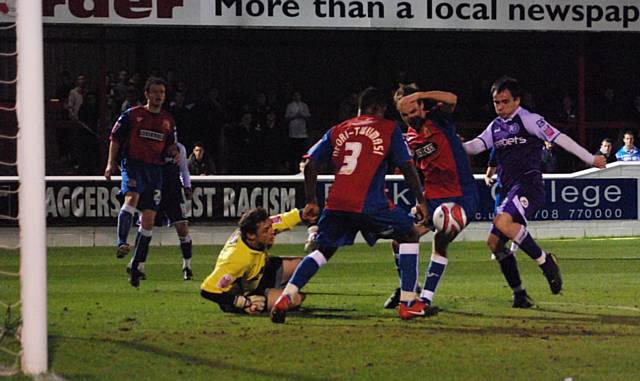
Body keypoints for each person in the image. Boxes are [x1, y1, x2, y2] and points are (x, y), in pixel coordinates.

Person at [270, 87, 429, 324]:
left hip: (337, 203)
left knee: (322, 250)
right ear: (380, 108)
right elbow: (407, 166)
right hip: (369, 203)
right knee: (408, 234)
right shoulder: (388, 128)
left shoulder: (338, 129)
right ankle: (408, 303)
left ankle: (286, 297)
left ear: (359, 109)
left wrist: (312, 201)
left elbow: (311, 164)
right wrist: (421, 201)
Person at [462, 76, 606, 307]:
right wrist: (451, 145)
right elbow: (476, 146)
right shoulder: (495, 127)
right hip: (509, 188)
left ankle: (545, 261)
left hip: (529, 185)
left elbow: (561, 139)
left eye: (505, 101)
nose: (500, 107)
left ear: (517, 100)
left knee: (502, 222)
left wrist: (591, 158)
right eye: (496, 102)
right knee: (493, 243)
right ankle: (520, 294)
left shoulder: (530, 120)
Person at [382, 85, 479, 311]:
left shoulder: (438, 118)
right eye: (405, 115)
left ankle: (425, 299)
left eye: (413, 111)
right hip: (432, 197)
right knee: (399, 240)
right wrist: (422, 202)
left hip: (462, 196)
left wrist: (420, 95)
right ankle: (408, 288)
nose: (410, 118)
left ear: (421, 106)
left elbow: (453, 97)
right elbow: (412, 170)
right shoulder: (408, 139)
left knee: (441, 239)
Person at [104, 77, 178, 288]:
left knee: (149, 218)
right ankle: (121, 242)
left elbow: (170, 145)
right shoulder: (133, 115)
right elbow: (115, 139)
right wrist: (110, 164)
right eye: (155, 92)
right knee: (132, 197)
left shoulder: (168, 120)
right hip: (134, 164)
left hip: (155, 170)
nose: (158, 96)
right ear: (147, 94)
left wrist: (175, 153)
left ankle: (136, 264)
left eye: (162, 92)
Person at [200, 207, 316, 315]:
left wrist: (302, 214)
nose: (272, 231)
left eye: (270, 227)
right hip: (245, 292)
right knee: (295, 299)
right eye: (266, 230)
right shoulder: (235, 259)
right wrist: (241, 302)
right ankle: (258, 301)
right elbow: (207, 290)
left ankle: (276, 291)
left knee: (304, 265)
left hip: (260, 272)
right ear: (251, 235)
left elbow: (282, 220)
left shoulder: (257, 229)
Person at [153, 141, 195, 281]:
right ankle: (138, 264)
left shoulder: (180, 148)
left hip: (174, 191)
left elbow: (183, 169)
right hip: (156, 189)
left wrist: (187, 186)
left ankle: (187, 267)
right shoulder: (154, 145)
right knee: (145, 225)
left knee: (182, 228)